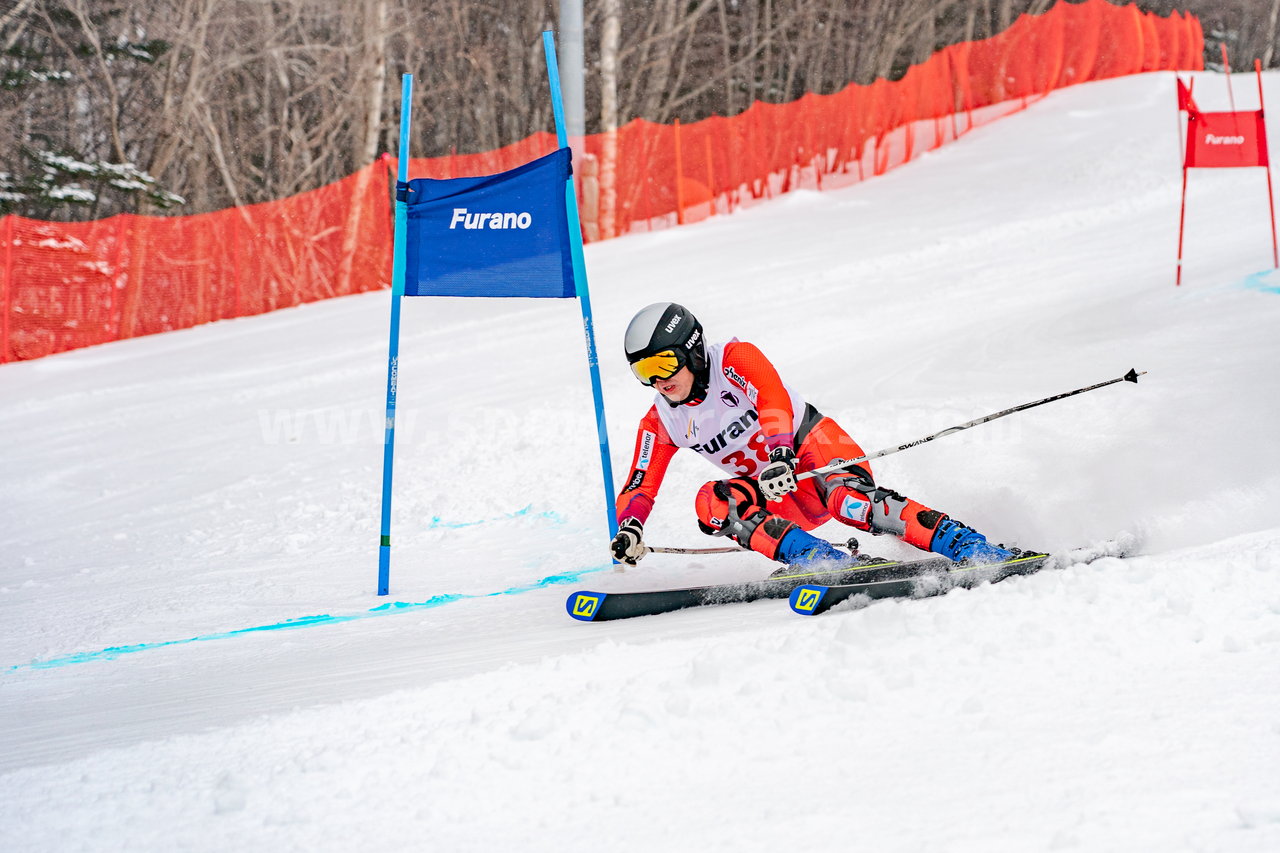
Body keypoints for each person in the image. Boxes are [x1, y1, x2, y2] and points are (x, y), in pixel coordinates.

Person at [609, 302, 1025, 570]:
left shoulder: (734, 359)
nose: (658, 381)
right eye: (643, 372)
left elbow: (771, 397)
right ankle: (820, 561)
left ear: (693, 350)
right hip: (778, 494)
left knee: (850, 503)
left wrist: (779, 454)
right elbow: (639, 481)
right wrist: (630, 526)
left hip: (814, 457)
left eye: (664, 363)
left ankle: (968, 545)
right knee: (712, 503)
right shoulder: (660, 420)